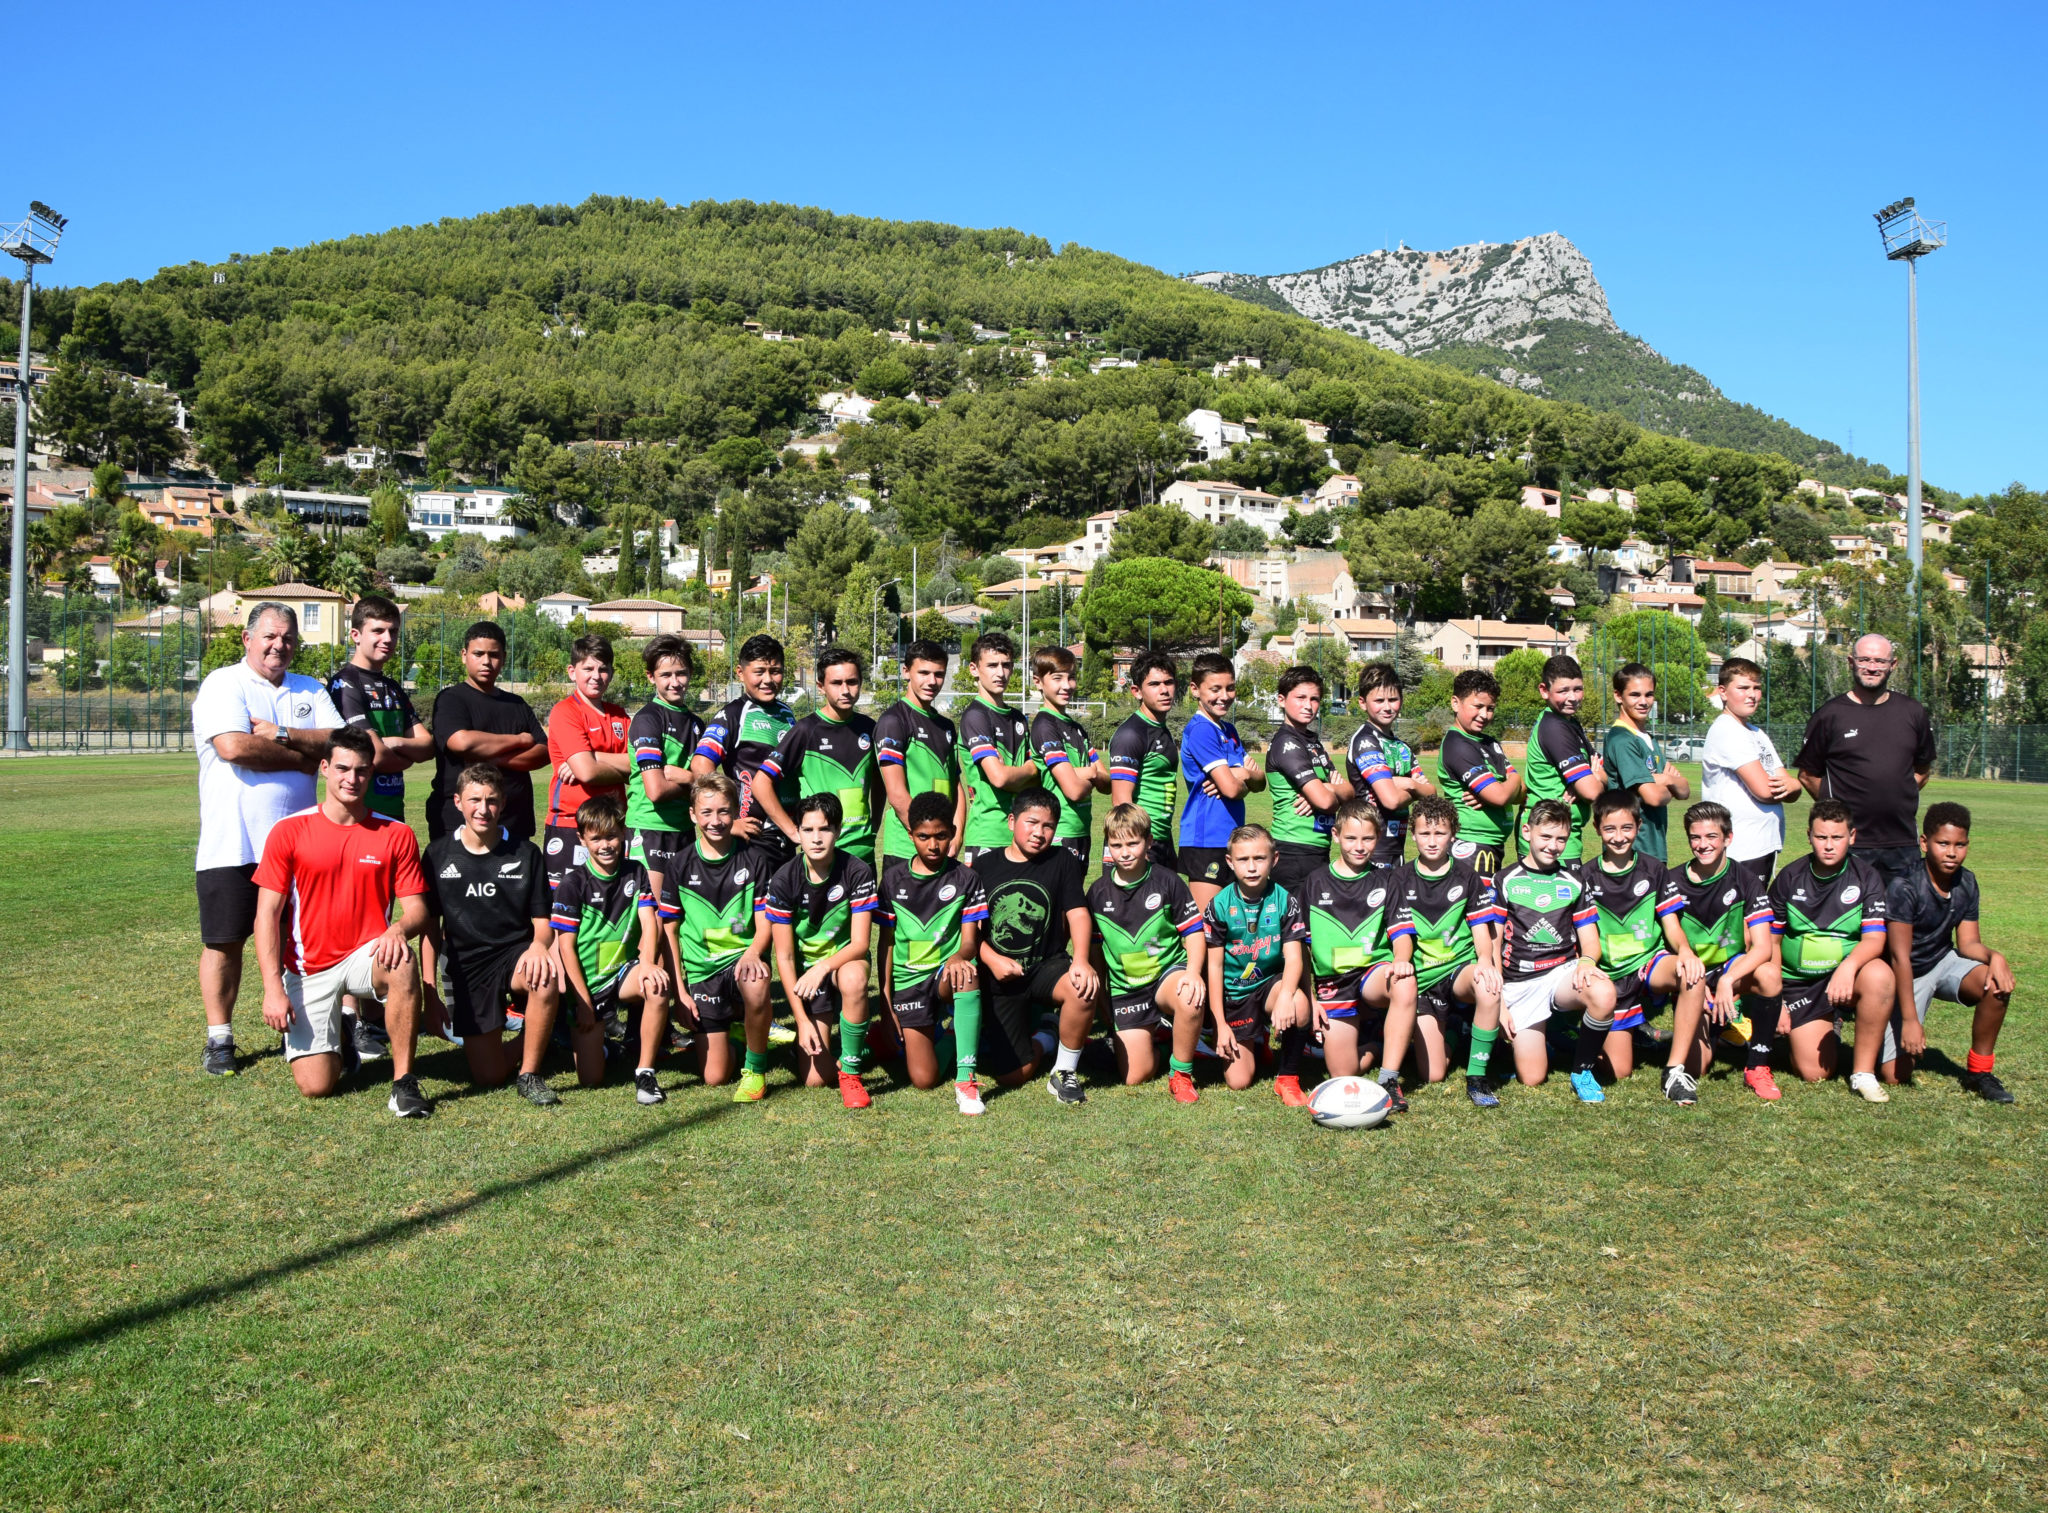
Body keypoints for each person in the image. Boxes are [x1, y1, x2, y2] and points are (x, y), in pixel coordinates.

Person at [191, 601, 344, 1075]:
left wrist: (278, 733)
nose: (280, 646)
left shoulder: (310, 688)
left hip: (298, 846)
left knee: (296, 939)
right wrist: (301, 752)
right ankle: (220, 1038)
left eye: (289, 639)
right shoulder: (224, 683)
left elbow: (339, 746)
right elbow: (234, 747)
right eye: (271, 637)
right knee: (225, 941)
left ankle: (298, 1029)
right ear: (247, 639)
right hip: (232, 842)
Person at [249, 729, 429, 1116]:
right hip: (308, 966)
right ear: (325, 768)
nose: (352, 779)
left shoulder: (395, 833)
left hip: (367, 954)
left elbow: (417, 910)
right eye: (343, 768)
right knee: (316, 1087)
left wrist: (398, 929)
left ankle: (404, 1083)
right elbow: (267, 914)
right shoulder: (289, 831)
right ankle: (345, 1035)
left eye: (362, 771)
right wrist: (271, 989)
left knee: (402, 961)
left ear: (371, 774)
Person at [420, 763, 588, 1106]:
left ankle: (530, 1073)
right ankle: (535, 1037)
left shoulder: (526, 853)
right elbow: (429, 928)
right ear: (457, 802)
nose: (484, 809)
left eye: (492, 800)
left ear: (504, 803)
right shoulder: (438, 854)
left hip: (514, 955)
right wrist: (430, 993)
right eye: (475, 800)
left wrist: (539, 947)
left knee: (543, 976)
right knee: (489, 1075)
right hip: (465, 966)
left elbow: (543, 923)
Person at [1882, 802, 2015, 1102]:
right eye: (1943, 844)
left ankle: (1979, 1073)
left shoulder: (1966, 881)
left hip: (1942, 960)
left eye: (1960, 845)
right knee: (1894, 1075)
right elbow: (1899, 958)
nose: (1952, 853)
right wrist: (1912, 1020)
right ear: (1925, 843)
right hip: (1906, 973)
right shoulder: (1904, 886)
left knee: (1995, 984)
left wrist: (1995, 957)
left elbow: (1968, 945)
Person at [971, 787, 1098, 1100]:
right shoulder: (984, 867)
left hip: (1046, 965)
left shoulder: (1062, 860)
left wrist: (1081, 960)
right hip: (1001, 975)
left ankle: (1064, 1071)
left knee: (1081, 988)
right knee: (1015, 1075)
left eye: (1048, 826)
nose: (1040, 833)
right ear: (1012, 821)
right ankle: (1047, 1033)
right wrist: (991, 960)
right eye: (1031, 822)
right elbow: (968, 931)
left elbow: (1079, 914)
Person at [1768, 799, 1894, 1099]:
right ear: (1808, 836)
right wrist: (1776, 1001)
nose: (1828, 845)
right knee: (1815, 1074)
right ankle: (1819, 1023)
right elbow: (1770, 942)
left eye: (1837, 838)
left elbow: (1874, 939)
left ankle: (1863, 1074)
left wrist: (1848, 968)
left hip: (1844, 977)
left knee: (1880, 975)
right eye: (1821, 837)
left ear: (1852, 836)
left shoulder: (1867, 878)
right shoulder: (1789, 877)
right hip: (1799, 984)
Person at [551, 794, 672, 1106]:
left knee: (656, 985)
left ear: (624, 835)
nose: (605, 845)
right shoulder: (572, 884)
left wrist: (646, 963)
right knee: (592, 1080)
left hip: (623, 973)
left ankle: (645, 1072)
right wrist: (581, 1002)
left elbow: (649, 922)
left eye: (612, 837)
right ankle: (606, 1046)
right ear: (582, 839)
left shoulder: (636, 872)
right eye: (595, 839)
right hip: (588, 986)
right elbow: (565, 948)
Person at [1386, 794, 1505, 1107]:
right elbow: (1399, 934)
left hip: (1458, 969)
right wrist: (1402, 960)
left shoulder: (1467, 876)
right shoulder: (1398, 878)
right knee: (1433, 1073)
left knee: (1488, 985)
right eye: (1425, 833)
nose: (1432, 841)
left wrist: (1484, 961)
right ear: (1413, 835)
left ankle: (1477, 1077)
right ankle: (1456, 1029)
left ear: (1454, 834)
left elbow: (1482, 930)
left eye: (1440, 833)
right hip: (1422, 980)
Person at [876, 790, 991, 1115]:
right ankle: (954, 1032)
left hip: (945, 974)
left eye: (941, 836)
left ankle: (966, 1081)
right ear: (911, 834)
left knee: (966, 974)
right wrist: (886, 1003)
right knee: (923, 1079)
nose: (933, 845)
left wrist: (959, 956)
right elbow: (885, 943)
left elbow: (969, 941)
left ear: (953, 833)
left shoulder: (966, 878)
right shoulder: (892, 880)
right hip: (909, 981)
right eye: (924, 837)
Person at [1492, 799, 1615, 1101]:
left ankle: (1582, 1070)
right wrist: (1499, 1004)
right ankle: (1544, 1040)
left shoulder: (1574, 881)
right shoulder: (1504, 880)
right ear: (1527, 832)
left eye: (1561, 838)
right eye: (1546, 836)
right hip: (1520, 983)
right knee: (1533, 1078)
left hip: (1561, 975)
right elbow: (1493, 946)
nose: (1553, 845)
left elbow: (1591, 943)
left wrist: (1586, 962)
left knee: (1603, 992)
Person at [762, 793, 879, 1108]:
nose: (816, 838)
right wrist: (800, 1021)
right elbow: (784, 958)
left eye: (824, 829)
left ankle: (851, 1072)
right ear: (797, 833)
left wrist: (823, 967)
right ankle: (826, 1045)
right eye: (808, 830)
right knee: (815, 1080)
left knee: (855, 978)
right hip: (805, 976)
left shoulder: (856, 871)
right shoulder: (784, 879)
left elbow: (860, 944)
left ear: (838, 830)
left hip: (842, 963)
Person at [665, 774, 777, 1099]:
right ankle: (738, 1030)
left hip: (743, 961)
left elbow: (765, 920)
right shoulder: (679, 865)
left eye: (724, 812)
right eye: (707, 812)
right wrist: (680, 993)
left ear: (735, 813)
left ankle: (755, 1069)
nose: (716, 821)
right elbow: (669, 932)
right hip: (703, 973)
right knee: (714, 1077)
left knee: (756, 986)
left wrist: (754, 953)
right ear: (692, 815)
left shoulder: (754, 859)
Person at [1581, 790, 1704, 1086]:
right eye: (1610, 828)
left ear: (1638, 826)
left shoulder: (1654, 870)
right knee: (1619, 1071)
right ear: (1597, 828)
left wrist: (1685, 951)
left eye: (1627, 828)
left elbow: (1671, 925)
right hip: (1612, 976)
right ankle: (1592, 1036)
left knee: (1692, 975)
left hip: (1650, 963)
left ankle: (1674, 1070)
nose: (1619, 836)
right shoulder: (1586, 876)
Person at [1795, 634, 1937, 885]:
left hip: (1901, 844)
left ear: (1893, 665)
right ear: (1851, 662)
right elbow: (1808, 776)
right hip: (1849, 844)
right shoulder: (1829, 715)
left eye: (1880, 661)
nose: (1872, 667)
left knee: (1901, 922)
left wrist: (1895, 795)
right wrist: (1838, 811)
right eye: (1865, 660)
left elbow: (1922, 771)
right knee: (1847, 921)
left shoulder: (1913, 712)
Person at [1087, 802, 1207, 1098]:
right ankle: (1163, 1038)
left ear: (1148, 842)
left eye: (1133, 843)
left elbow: (1194, 933)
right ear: (1108, 847)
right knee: (1134, 1077)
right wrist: (1103, 1005)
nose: (1125, 852)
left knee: (1189, 997)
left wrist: (1193, 973)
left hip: (1166, 975)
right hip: (1127, 988)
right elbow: (1095, 955)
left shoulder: (1167, 881)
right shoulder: (1097, 893)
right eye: (1116, 845)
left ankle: (1181, 1073)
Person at [1670, 801, 1783, 1105]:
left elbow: (1762, 947)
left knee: (1770, 975)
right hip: (1692, 979)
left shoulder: (1745, 879)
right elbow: (1668, 944)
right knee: (1698, 1068)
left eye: (1711, 837)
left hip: (1730, 971)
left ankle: (1757, 1065)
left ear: (1727, 839)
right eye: (1696, 837)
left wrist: (1728, 980)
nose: (1703, 844)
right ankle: (1719, 1025)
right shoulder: (1672, 881)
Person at [1302, 801, 1413, 1105]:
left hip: (1372, 973)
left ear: (1378, 838)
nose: (1359, 847)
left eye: (1368, 839)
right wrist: (1311, 1000)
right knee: (1344, 1075)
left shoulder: (1387, 879)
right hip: (1333, 982)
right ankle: (1377, 1043)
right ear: (1335, 835)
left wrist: (1401, 959)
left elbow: (1401, 932)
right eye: (1351, 838)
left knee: (1405, 983)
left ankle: (1389, 1079)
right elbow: (1302, 948)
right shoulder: (1314, 882)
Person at [1201, 825, 1311, 1101]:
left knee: (1298, 1004)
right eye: (1243, 859)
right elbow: (1213, 968)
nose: (1251, 867)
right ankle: (1255, 1037)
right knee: (1239, 1081)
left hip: (1269, 986)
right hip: (1235, 995)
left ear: (1274, 860)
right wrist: (1219, 1024)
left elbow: (1295, 957)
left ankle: (1288, 1077)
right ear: (1230, 862)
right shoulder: (1219, 906)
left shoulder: (1286, 900)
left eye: (1259, 859)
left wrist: (1286, 995)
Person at [755, 647, 880, 866]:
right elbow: (760, 783)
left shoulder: (869, 728)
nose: (846, 690)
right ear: (821, 686)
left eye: (852, 682)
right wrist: (793, 832)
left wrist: (875, 824)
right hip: (821, 855)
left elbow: (880, 782)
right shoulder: (806, 730)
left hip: (864, 853)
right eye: (836, 683)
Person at [427, 621, 549, 844]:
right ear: (464, 655)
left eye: (493, 655)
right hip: (458, 823)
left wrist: (493, 759)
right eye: (478, 653)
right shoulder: (451, 699)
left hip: (514, 822)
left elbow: (543, 751)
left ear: (503, 657)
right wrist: (519, 739)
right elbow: (462, 742)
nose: (486, 661)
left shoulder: (517, 704)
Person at [692, 633, 798, 863]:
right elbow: (701, 764)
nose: (768, 679)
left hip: (787, 832)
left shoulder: (787, 714)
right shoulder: (733, 715)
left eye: (775, 671)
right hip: (754, 836)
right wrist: (729, 822)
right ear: (741, 673)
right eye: (759, 672)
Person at [328, 594, 433, 822]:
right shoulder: (344, 684)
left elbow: (427, 746)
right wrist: (406, 759)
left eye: (393, 631)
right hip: (358, 815)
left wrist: (395, 743)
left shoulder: (392, 687)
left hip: (393, 812)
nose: (387, 638)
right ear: (355, 635)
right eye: (378, 631)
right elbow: (376, 758)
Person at [1701, 657, 1799, 898]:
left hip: (1761, 845)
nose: (1752, 694)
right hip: (1741, 849)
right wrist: (1791, 785)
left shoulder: (1756, 733)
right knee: (1740, 924)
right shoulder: (1727, 729)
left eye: (1756, 687)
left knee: (1754, 918)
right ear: (1722, 692)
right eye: (1743, 688)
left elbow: (1792, 788)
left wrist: (1793, 785)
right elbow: (1765, 790)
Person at [544, 633, 633, 890]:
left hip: (614, 824)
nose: (596, 675)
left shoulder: (619, 715)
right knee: (566, 908)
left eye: (603, 669)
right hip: (571, 826)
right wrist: (593, 765)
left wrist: (593, 757)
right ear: (572, 672)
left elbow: (637, 767)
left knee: (612, 903)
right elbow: (588, 774)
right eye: (588, 668)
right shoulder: (565, 711)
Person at [1176, 652, 1264, 907]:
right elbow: (1231, 789)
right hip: (1206, 839)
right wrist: (1239, 777)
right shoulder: (1202, 729)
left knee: (1229, 924)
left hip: (1231, 837)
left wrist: (1244, 774)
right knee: (1208, 927)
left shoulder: (1229, 730)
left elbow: (1259, 781)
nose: (1224, 696)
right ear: (1195, 689)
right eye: (1215, 689)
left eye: (1230, 688)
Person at [625, 635, 704, 910]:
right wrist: (696, 783)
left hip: (685, 829)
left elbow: (705, 781)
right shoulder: (648, 719)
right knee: (656, 921)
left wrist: (690, 778)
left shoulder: (696, 723)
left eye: (681, 673)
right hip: (650, 830)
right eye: (666, 675)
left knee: (677, 921)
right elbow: (656, 791)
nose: (675, 682)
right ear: (651, 677)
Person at [875, 638, 967, 864]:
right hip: (907, 850)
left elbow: (956, 785)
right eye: (923, 673)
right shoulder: (894, 721)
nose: (932, 681)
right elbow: (897, 794)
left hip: (942, 846)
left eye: (939, 674)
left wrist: (956, 836)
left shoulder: (946, 726)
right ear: (906, 672)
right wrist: (927, 840)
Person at [1263, 665, 1354, 895]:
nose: (1308, 705)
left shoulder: (1312, 742)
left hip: (1317, 848)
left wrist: (1325, 788)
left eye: (1314, 699)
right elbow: (1325, 802)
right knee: (1297, 927)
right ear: (1281, 700)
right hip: (1293, 850)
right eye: (1301, 697)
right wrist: (1329, 792)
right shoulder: (1287, 743)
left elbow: (1350, 793)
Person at [956, 632, 1041, 867]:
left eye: (1006, 665)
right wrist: (1031, 768)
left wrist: (1023, 772)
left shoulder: (1018, 718)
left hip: (1021, 834)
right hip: (988, 834)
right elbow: (1000, 777)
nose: (1000, 673)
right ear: (974, 669)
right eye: (992, 665)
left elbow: (1035, 781)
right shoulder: (976, 716)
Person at [1433, 669, 1522, 879]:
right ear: (1456, 703)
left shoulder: (1490, 743)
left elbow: (1522, 794)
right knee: (1479, 910)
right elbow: (1501, 796)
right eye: (1478, 706)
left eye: (1490, 708)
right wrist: (1512, 780)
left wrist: (1504, 788)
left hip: (1492, 845)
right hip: (1472, 847)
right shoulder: (1457, 744)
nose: (1484, 715)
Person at [1029, 645, 1110, 869]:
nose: (1067, 686)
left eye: (1071, 678)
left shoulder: (1077, 729)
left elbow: (1107, 784)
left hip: (1081, 830)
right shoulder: (1045, 725)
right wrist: (1091, 772)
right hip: (1058, 832)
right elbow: (1073, 791)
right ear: (1038, 682)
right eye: (1057, 678)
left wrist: (1084, 774)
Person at [1603, 662, 1689, 864]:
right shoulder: (1622, 740)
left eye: (1649, 695)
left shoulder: (1648, 738)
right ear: (1618, 696)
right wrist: (1667, 784)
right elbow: (1653, 797)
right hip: (1632, 850)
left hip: (1654, 847)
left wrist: (1665, 779)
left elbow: (1684, 791)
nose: (1643, 701)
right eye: (1635, 695)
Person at [1345, 661, 1429, 869]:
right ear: (1363, 703)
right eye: (1379, 700)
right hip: (1371, 847)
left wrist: (1406, 783)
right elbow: (1390, 800)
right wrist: (1414, 787)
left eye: (1393, 699)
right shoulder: (1365, 741)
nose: (1387, 707)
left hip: (1397, 847)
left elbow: (1430, 792)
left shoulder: (1401, 746)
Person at [1522, 655, 1605, 856]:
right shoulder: (1555, 728)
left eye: (1578, 689)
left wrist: (1596, 777)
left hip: (1564, 835)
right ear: (1544, 691)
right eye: (1563, 691)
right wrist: (1592, 778)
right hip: (1548, 838)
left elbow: (1602, 768)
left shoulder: (1570, 724)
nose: (1573, 697)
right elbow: (1592, 792)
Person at [1109, 652, 1182, 873]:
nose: (1164, 690)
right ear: (1137, 692)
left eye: (1169, 682)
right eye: (1154, 684)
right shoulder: (1131, 734)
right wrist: (1138, 848)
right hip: (1142, 844)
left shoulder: (1160, 729)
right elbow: (1121, 800)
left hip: (1161, 839)